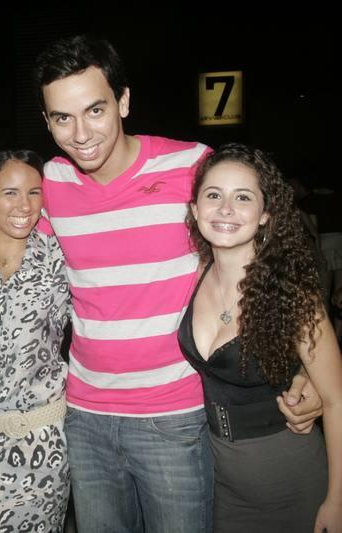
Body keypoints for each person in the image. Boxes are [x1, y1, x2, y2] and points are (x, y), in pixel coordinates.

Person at [34, 34, 323, 532]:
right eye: (63, 118)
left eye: (95, 110)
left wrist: (311, 371)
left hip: (175, 416)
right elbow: (8, 249)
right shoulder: (53, 182)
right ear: (47, 121)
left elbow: (272, 259)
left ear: (124, 101)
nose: (80, 133)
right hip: (83, 417)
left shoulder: (189, 165)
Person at [180, 143, 342, 532]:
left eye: (243, 198)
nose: (225, 209)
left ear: (265, 213)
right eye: (213, 195)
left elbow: (337, 400)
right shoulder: (191, 275)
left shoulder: (292, 295)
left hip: (293, 484)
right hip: (220, 484)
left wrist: (337, 500)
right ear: (195, 209)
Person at [0, 150, 70, 532]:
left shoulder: (58, 259)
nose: (24, 205)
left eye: (34, 193)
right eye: (10, 193)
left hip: (36, 444)